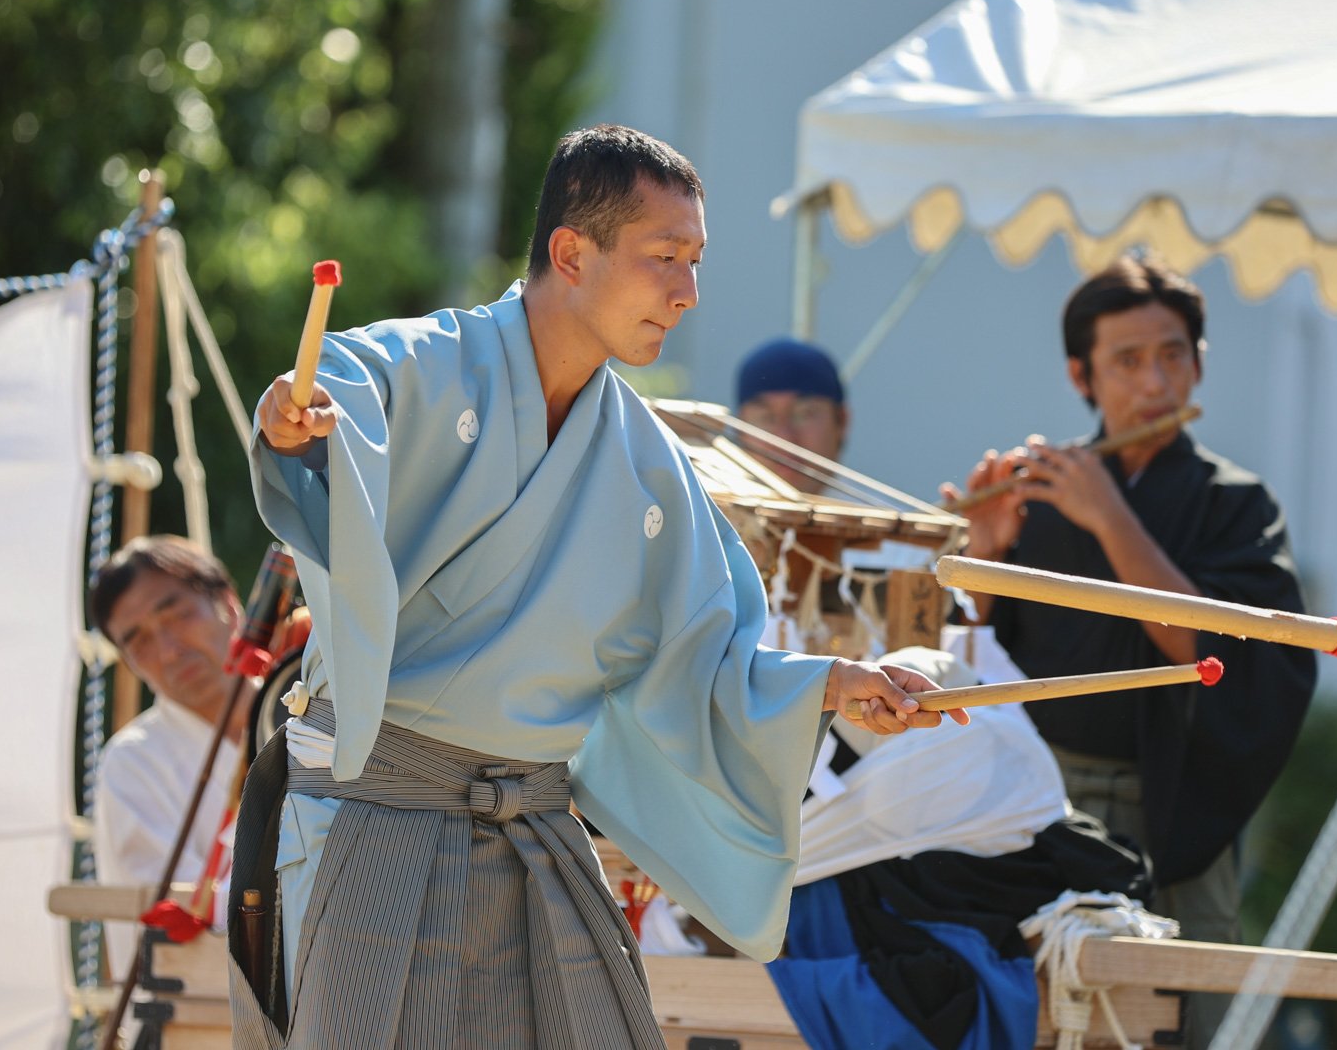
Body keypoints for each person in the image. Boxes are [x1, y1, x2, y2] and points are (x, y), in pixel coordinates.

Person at [229, 124, 966, 1049]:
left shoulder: (649, 464)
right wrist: (293, 421)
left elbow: (705, 656)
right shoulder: (424, 364)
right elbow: (336, 388)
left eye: (695, 263)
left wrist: (828, 684)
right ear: (570, 253)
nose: (688, 293)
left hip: (534, 831)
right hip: (380, 815)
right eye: (665, 258)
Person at [943, 253, 1317, 1048]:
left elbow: (1220, 650)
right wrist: (988, 558)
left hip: (1175, 805)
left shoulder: (1236, 504)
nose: (1155, 384)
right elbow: (977, 664)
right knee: (1038, 1016)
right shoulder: (1040, 496)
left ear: (1199, 363)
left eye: (1173, 355)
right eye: (1128, 361)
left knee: (1190, 1019)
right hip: (1042, 803)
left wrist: (1112, 519)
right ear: (1083, 375)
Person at [89, 535, 256, 975]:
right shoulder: (133, 764)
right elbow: (181, 919)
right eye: (138, 641)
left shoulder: (310, 715)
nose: (167, 650)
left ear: (228, 602)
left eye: (177, 614)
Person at [733, 337, 849, 494]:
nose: (784, 439)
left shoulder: (884, 515)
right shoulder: (701, 515)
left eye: (804, 415)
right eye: (766, 418)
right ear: (739, 429)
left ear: (841, 422)